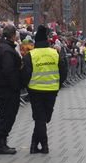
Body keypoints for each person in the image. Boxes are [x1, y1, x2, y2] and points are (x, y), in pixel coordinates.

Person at [21, 25, 67, 154]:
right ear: (47, 41)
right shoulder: (55, 53)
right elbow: (63, 70)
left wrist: (26, 86)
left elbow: (26, 74)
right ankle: (44, 145)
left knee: (40, 118)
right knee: (43, 118)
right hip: (51, 90)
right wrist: (59, 84)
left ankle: (34, 145)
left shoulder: (30, 55)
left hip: (35, 90)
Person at [0, 25, 22, 155]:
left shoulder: (2, 48)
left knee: (5, 115)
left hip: (4, 87)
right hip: (8, 88)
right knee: (7, 115)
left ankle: (2, 143)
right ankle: (1, 144)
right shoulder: (7, 50)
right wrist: (17, 84)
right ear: (12, 35)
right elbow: (8, 70)